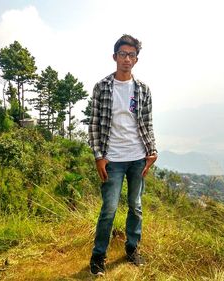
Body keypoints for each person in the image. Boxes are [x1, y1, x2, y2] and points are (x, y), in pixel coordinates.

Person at [88, 34, 158, 276]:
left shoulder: (143, 90)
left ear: (136, 60)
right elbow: (94, 124)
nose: (127, 59)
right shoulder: (102, 87)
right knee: (109, 208)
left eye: (131, 55)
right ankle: (98, 256)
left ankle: (132, 249)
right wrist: (99, 156)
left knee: (136, 206)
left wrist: (152, 151)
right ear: (114, 57)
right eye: (122, 54)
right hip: (113, 159)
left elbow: (147, 124)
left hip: (138, 157)